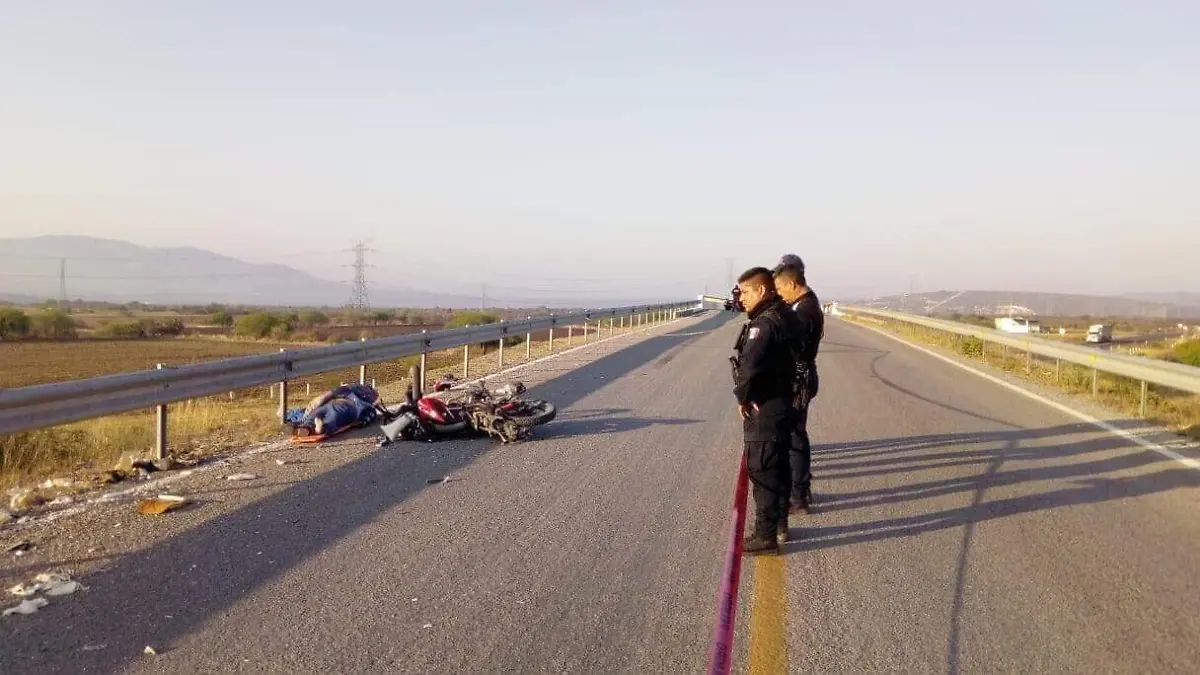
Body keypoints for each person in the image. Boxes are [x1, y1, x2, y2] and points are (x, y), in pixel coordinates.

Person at [730, 267, 802, 555]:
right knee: (779, 466)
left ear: (761, 290)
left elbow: (749, 369)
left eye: (745, 292)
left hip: (768, 406)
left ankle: (765, 535)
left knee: (763, 471)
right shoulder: (784, 315)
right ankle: (779, 524)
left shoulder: (764, 324)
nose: (741, 298)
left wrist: (743, 398)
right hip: (784, 401)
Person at [772, 254, 825, 514]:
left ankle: (797, 495)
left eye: (781, 289)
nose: (780, 294)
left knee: (794, 438)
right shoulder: (804, 304)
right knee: (795, 435)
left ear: (792, 284)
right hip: (801, 378)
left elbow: (792, 349)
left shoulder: (804, 311)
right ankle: (799, 490)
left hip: (799, 381)